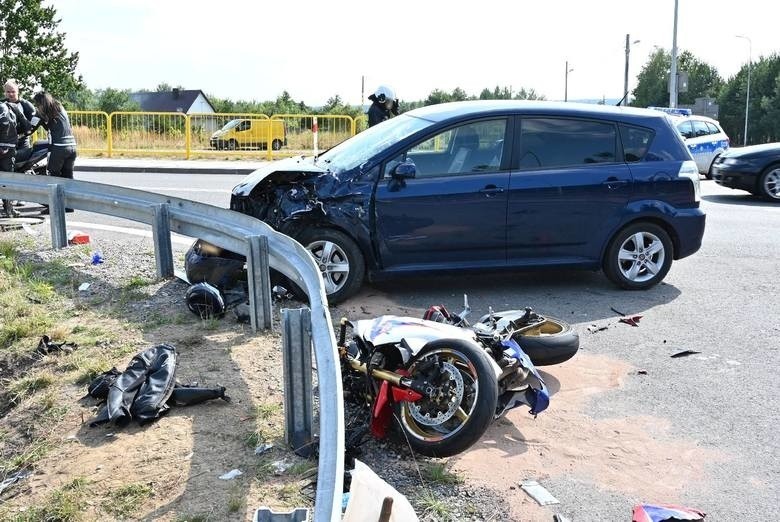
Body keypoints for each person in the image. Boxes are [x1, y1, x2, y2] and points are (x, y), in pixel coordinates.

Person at [33, 91, 77, 214]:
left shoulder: (43, 112)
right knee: (68, 176)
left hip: (59, 148)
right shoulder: (59, 107)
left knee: (53, 176)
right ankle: (69, 206)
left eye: (37, 104)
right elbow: (53, 126)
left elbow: (30, 129)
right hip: (72, 146)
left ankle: (55, 207)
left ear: (40, 103)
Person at [3, 80, 37, 151]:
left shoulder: (27, 105)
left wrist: (23, 135)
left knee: (25, 162)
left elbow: (34, 125)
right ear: (5, 92)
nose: (11, 94)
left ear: (18, 92)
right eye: (8, 92)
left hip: (22, 142)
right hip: (5, 142)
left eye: (13, 91)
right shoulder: (2, 104)